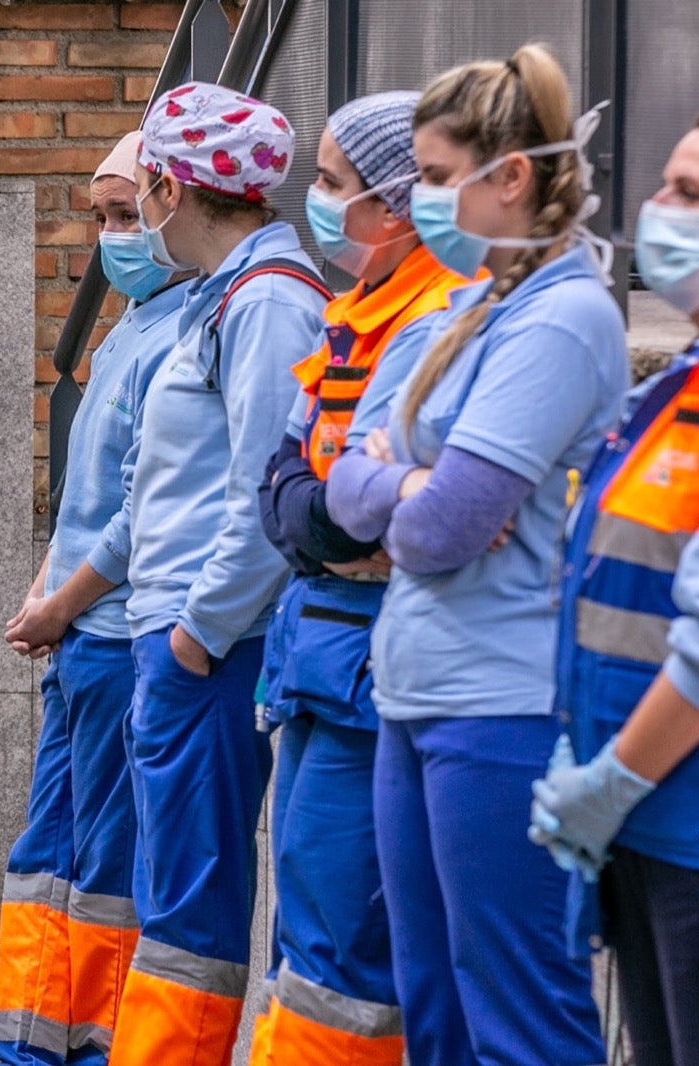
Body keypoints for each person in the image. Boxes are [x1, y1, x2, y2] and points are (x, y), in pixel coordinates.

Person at [325, 44, 625, 1065]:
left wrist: (401, 487)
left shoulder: (562, 317)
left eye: (439, 178)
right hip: (419, 690)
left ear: (511, 177)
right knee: (434, 1005)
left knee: (517, 1009)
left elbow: (438, 528)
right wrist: (406, 483)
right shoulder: (470, 307)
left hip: (502, 702)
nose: (421, 200)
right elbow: (338, 480)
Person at [106, 83, 330, 1065]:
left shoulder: (267, 302)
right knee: (174, 893)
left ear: (172, 185)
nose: (139, 205)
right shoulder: (231, 293)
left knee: (189, 898)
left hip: (211, 641)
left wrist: (195, 635)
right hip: (190, 632)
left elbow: (260, 491)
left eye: (145, 183)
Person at [249, 92, 467, 1065]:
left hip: (358, 670)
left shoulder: (424, 321)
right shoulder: (358, 311)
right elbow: (289, 491)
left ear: (390, 202)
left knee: (344, 946)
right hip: (322, 650)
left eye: (334, 184)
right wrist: (321, 504)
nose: (319, 203)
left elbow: (340, 502)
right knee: (311, 931)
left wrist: (323, 503)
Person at [0, 131, 193, 1066]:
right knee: (49, 848)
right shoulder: (132, 326)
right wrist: (46, 592)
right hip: (81, 632)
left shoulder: (187, 327)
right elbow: (86, 494)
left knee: (103, 859)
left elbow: (142, 510)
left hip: (115, 633)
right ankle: (37, 1039)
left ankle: (91, 1038)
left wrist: (62, 603)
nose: (111, 235)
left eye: (126, 214)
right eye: (103, 215)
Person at [531, 119, 699, 1066]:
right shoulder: (672, 389)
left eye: (694, 196)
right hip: (647, 822)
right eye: (669, 187)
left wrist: (615, 780)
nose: (665, 214)